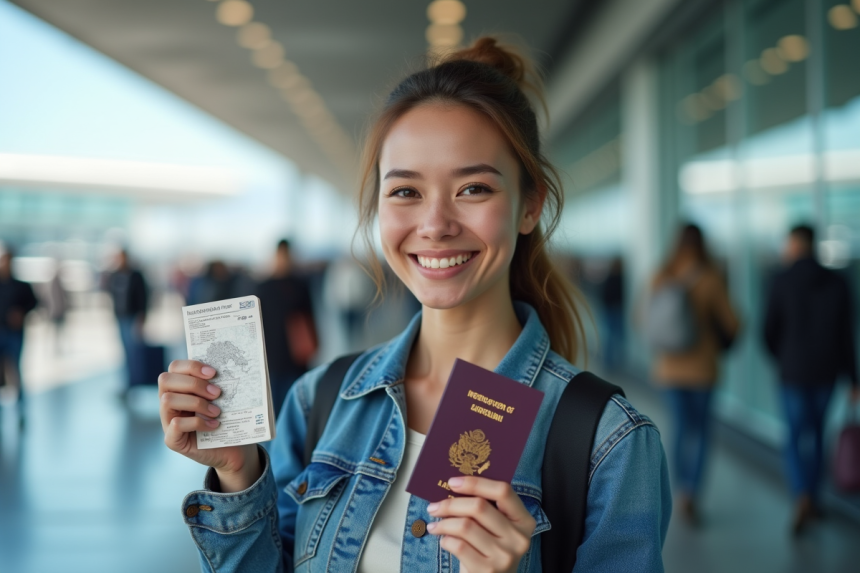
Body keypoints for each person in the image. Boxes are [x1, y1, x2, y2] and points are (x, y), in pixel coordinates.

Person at [159, 38, 671, 572]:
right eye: (405, 192)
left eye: (473, 189)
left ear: (530, 205)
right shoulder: (321, 402)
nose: (435, 225)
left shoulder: (608, 443)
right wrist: (237, 474)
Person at [763, 224, 859, 535]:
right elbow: (847, 336)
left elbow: (768, 331)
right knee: (817, 434)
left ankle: (800, 495)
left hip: (792, 371)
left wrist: (782, 358)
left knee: (793, 435)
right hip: (826, 371)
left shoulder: (781, 280)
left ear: (795, 244)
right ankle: (813, 498)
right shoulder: (837, 281)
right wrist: (853, 379)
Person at [649, 224, 739, 526]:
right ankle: (691, 493)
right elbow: (732, 324)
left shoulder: (662, 275)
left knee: (679, 428)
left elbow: (641, 318)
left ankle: (678, 489)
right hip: (702, 369)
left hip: (668, 369)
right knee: (700, 431)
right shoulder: (710, 278)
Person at [256, 239, 318, 417]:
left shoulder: (300, 284)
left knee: (297, 401)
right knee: (274, 403)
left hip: (296, 353)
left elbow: (310, 316)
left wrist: (314, 343)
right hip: (271, 354)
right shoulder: (263, 286)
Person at [0, 247, 38, 428]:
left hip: (14, 334)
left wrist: (21, 313)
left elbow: (34, 303)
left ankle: (20, 410)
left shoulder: (21, 285)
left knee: (15, 372)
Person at [103, 249, 148, 395]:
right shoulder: (114, 275)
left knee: (134, 352)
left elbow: (143, 297)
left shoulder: (136, 275)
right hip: (120, 317)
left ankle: (136, 383)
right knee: (125, 353)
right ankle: (128, 384)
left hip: (133, 317)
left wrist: (141, 317)